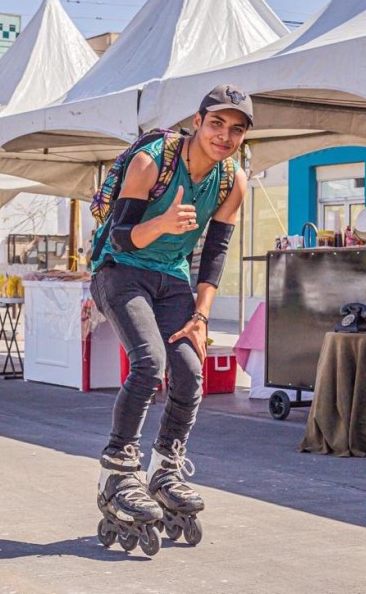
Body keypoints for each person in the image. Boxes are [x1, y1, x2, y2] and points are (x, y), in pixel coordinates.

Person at [89, 85, 250, 554]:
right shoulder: (153, 162)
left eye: (236, 129)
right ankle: (118, 470)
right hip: (121, 273)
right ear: (197, 122)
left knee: (190, 371)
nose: (225, 136)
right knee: (148, 364)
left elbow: (215, 253)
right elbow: (118, 238)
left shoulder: (231, 181)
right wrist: (161, 224)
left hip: (172, 282)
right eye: (216, 123)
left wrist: (201, 315)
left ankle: (165, 467)